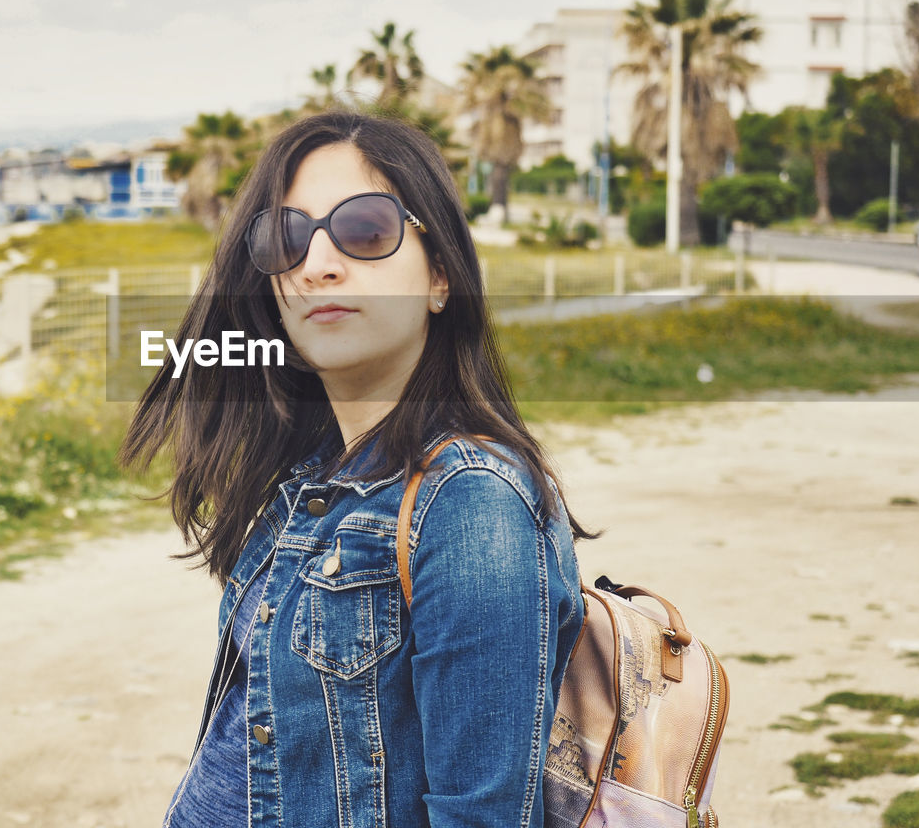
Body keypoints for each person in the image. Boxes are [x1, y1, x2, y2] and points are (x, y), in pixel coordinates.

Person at [120, 111, 589, 828]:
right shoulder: (311, 480)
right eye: (287, 238)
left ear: (440, 277)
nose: (318, 264)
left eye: (365, 229)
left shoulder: (469, 503)